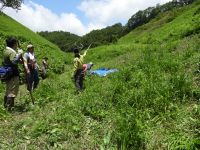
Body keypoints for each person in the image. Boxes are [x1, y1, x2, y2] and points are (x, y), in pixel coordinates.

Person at [2, 37, 23, 111]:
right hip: (12, 73)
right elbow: (14, 61)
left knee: (8, 89)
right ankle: (9, 108)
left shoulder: (6, 51)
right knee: (13, 90)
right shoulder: (12, 52)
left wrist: (18, 57)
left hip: (7, 72)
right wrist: (19, 54)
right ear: (14, 44)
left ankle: (6, 106)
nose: (17, 45)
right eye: (16, 43)